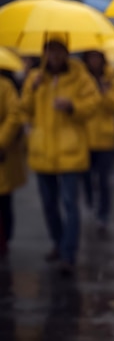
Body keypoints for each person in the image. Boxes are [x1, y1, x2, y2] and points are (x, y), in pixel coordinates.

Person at [20, 38, 100, 274]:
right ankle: (58, 242)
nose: (53, 55)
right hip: (42, 152)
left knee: (69, 204)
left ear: (65, 52)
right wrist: (32, 89)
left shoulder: (80, 75)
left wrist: (72, 105)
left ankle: (68, 253)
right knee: (48, 204)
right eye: (49, 50)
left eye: (58, 50)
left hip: (70, 152)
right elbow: (24, 109)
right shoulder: (36, 76)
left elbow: (93, 104)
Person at [82, 49, 114, 235]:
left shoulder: (111, 78)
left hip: (105, 139)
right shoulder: (81, 78)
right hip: (85, 138)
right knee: (87, 179)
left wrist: (105, 93)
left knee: (104, 180)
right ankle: (91, 205)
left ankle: (103, 215)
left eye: (97, 57)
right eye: (91, 57)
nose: (94, 61)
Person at [0, 69, 27, 257]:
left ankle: (4, 241)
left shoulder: (5, 86)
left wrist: (1, 142)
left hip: (3, 154)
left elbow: (15, 115)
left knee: (3, 201)